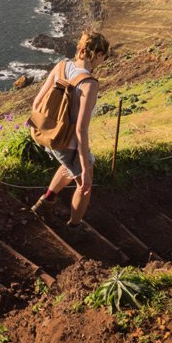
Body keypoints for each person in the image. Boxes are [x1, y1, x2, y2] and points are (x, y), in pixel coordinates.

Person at [29, 30, 110, 233]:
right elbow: (81, 130)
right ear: (97, 55)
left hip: (49, 135)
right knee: (84, 187)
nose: (104, 60)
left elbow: (37, 102)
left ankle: (45, 203)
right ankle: (74, 228)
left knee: (67, 167)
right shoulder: (89, 84)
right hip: (70, 143)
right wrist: (85, 167)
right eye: (104, 56)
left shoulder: (61, 66)